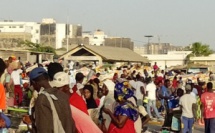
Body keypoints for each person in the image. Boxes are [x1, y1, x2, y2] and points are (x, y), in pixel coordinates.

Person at [29, 67, 77, 133]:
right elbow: (71, 123)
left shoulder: (42, 99)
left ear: (34, 83)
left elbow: (44, 129)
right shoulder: (63, 95)